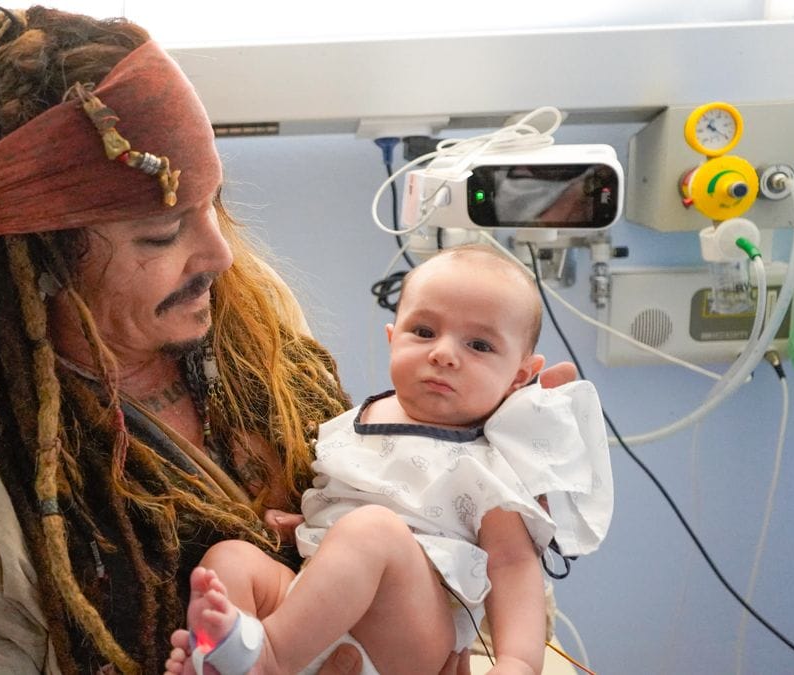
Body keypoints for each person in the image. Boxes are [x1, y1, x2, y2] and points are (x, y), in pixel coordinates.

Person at [0, 6, 579, 674]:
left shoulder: (254, 337)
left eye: (214, 203)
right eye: (162, 233)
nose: (221, 256)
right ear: (42, 261)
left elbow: (417, 532)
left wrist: (492, 451)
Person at [164, 245, 613, 675]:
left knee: (374, 530)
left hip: (407, 637)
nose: (443, 353)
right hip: (311, 607)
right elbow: (341, 497)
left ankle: (270, 658)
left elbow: (514, 564)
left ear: (519, 376)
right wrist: (304, 520)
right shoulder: (355, 421)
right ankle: (224, 657)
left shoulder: (490, 464)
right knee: (229, 560)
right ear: (392, 337)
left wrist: (518, 662)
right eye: (424, 332)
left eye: (478, 345)